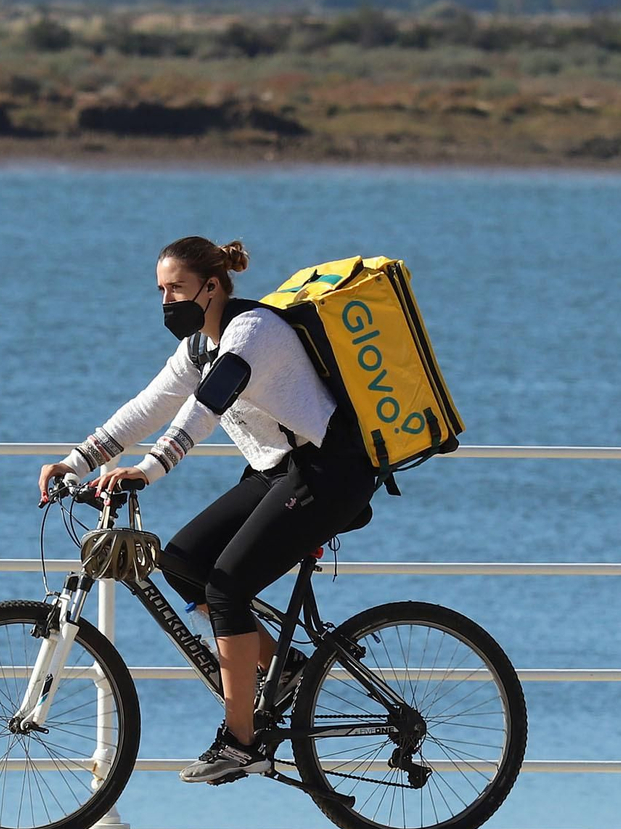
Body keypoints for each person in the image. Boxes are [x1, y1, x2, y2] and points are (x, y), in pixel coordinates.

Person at [38, 235, 377, 784]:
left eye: (177, 288)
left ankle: (242, 743)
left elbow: (206, 407)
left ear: (213, 287)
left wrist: (148, 470)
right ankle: (284, 666)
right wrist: (75, 460)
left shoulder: (251, 333)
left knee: (226, 587)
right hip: (277, 469)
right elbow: (148, 407)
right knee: (182, 563)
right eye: (160, 290)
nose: (166, 300)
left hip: (329, 473)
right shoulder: (199, 346)